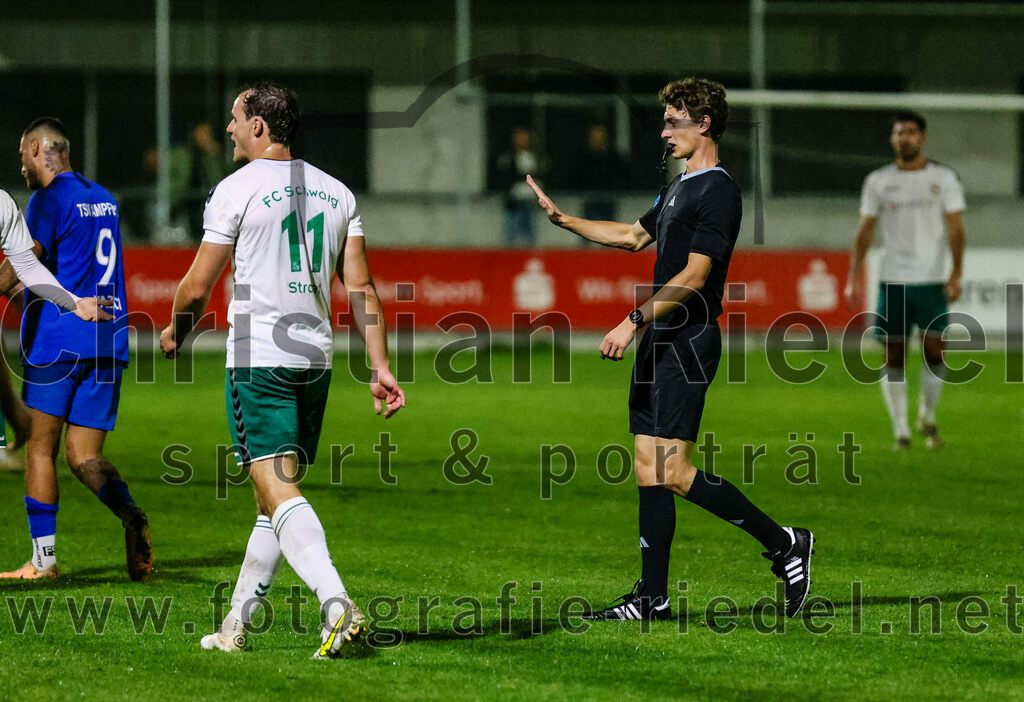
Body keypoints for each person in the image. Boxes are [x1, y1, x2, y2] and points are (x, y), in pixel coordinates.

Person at [527, 77, 814, 620]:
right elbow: (635, 236)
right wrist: (565, 221)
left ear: (703, 124)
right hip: (661, 339)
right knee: (645, 464)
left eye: (672, 121)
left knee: (675, 471)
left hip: (688, 339)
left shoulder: (719, 190)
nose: (664, 133)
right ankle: (650, 597)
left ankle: (785, 542)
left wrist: (631, 320)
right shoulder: (681, 184)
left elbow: (696, 273)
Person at [160, 82, 405, 658]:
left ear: (260, 128)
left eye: (235, 119)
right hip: (315, 361)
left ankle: (336, 603)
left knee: (276, 487)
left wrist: (177, 329)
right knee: (271, 499)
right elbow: (362, 287)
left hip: (259, 360)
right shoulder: (337, 192)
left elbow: (198, 285)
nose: (228, 129)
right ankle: (233, 627)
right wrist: (380, 365)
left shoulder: (235, 189)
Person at [0, 117, 148, 582]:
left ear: (41, 148)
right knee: (83, 455)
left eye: (23, 152)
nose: (21, 163)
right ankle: (130, 513)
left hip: (58, 345)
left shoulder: (48, 198)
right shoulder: (105, 199)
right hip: (108, 341)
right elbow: (67, 275)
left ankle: (42, 562)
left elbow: (19, 267)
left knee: (40, 450)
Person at [844, 111, 964, 451]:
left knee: (934, 351)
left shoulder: (944, 178)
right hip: (892, 280)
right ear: (893, 139)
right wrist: (853, 275)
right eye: (900, 132)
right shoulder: (878, 181)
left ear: (923, 137)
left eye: (911, 132)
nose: (905, 138)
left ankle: (927, 414)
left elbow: (956, 228)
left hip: (930, 280)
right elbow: (865, 230)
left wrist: (956, 273)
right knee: (893, 355)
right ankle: (901, 431)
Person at [494, 127, 542, 247]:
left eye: (525, 138)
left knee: (531, 236)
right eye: (520, 138)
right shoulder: (508, 157)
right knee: (511, 234)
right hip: (515, 201)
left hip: (530, 201)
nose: (523, 141)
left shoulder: (534, 156)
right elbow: (505, 177)